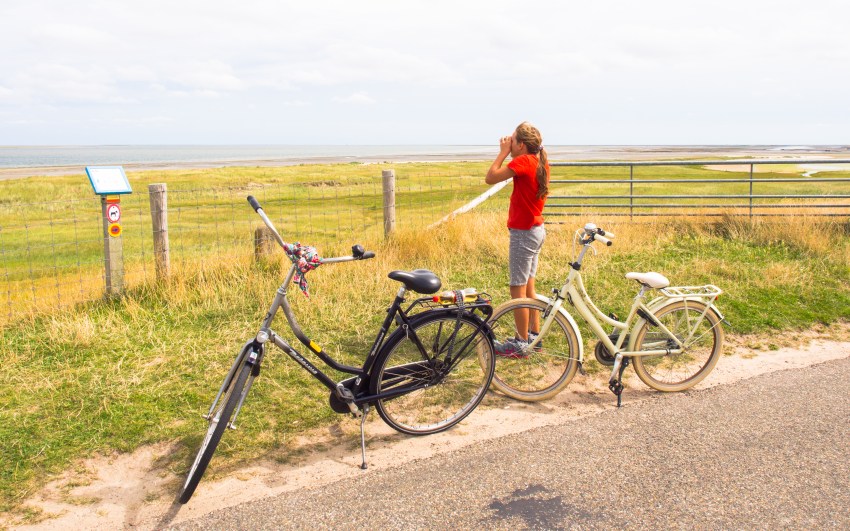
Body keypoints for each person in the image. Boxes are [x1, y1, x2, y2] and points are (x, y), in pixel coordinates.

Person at [485, 122, 550, 356]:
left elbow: (490, 177)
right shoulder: (539, 160)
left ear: (521, 145)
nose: (509, 142)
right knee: (529, 286)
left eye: (512, 140)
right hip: (536, 230)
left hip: (524, 233)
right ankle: (534, 336)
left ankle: (521, 343)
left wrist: (502, 152)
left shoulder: (522, 161)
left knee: (517, 290)